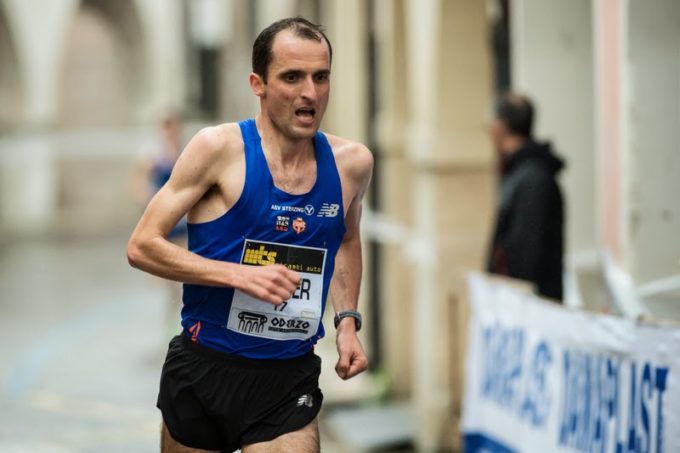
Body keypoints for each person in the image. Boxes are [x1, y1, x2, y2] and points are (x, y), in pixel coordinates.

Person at [127, 17, 372, 453]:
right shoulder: (217, 149)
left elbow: (346, 240)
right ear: (258, 83)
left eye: (321, 77)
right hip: (205, 369)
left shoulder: (352, 163)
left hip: (287, 377)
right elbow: (142, 245)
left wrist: (347, 321)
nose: (310, 93)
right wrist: (239, 275)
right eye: (292, 77)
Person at [486, 92, 565, 302]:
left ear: (499, 127)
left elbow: (524, 257)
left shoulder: (533, 180)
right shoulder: (522, 174)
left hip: (530, 312)